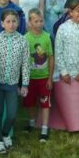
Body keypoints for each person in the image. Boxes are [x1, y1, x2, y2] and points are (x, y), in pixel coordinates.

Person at [0, 9, 31, 153]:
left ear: (18, 23)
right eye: (8, 21)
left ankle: (6, 133)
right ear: (2, 23)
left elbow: (25, 63)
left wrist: (24, 84)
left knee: (12, 114)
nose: (11, 24)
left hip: (13, 85)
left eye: (14, 21)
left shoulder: (23, 40)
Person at [23, 9, 54, 142]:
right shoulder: (25, 38)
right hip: (29, 78)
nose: (39, 23)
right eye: (36, 21)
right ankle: (32, 122)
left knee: (45, 103)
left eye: (41, 21)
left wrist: (50, 78)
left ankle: (45, 128)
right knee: (30, 102)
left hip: (44, 78)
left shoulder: (47, 37)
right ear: (30, 22)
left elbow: (51, 58)